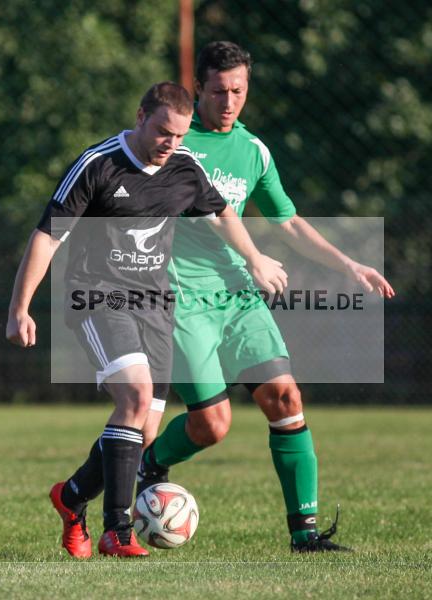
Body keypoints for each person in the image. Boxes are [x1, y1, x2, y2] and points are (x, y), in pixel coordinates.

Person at [6, 81, 287, 559]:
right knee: (135, 397)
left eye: (178, 136)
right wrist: (20, 306)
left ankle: (71, 498)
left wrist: (256, 259)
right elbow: (48, 237)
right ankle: (117, 530)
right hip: (99, 297)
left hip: (157, 305)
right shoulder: (98, 165)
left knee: (145, 430)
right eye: (162, 132)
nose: (170, 144)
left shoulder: (183, 168)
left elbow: (220, 215)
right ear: (140, 117)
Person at [136, 43, 396, 552]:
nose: (229, 102)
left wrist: (349, 265)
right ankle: (149, 463)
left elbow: (289, 221)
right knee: (211, 425)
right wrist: (256, 258)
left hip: (238, 297)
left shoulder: (254, 151)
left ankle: (305, 534)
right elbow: (202, 212)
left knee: (286, 397)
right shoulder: (175, 144)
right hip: (182, 297)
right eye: (218, 91)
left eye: (238, 91)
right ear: (199, 90)